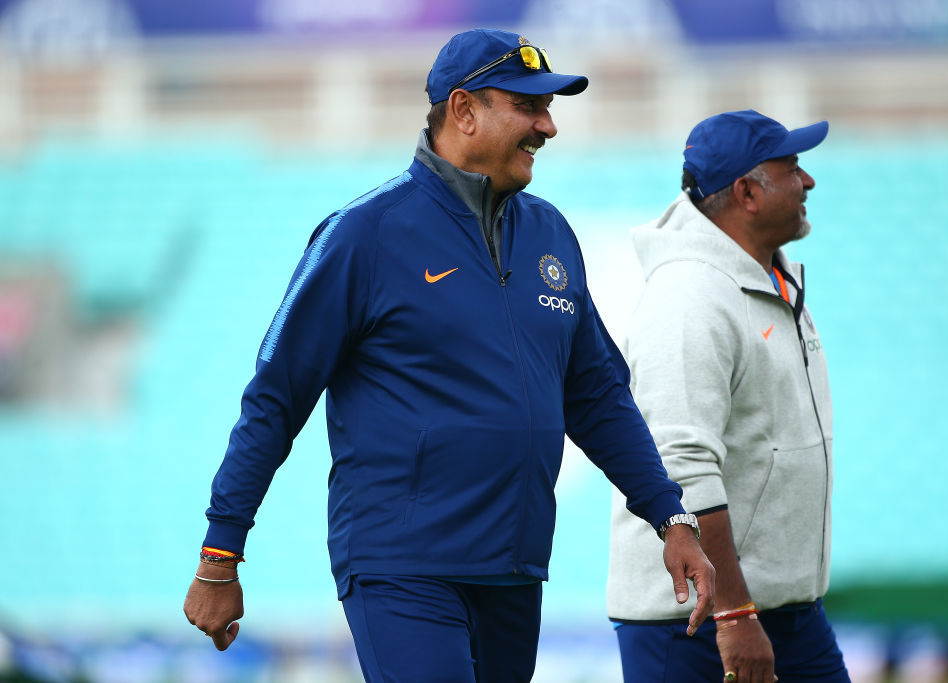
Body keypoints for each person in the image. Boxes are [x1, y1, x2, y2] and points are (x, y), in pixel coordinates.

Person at [183, 28, 715, 682]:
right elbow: (276, 397)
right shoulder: (364, 234)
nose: (548, 126)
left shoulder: (550, 232)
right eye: (528, 106)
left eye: (548, 109)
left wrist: (670, 515)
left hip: (515, 567)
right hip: (402, 566)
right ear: (463, 111)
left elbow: (598, 397)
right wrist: (221, 553)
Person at [606, 109, 851, 683]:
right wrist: (734, 613)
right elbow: (682, 464)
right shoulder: (688, 296)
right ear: (747, 192)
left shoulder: (768, 279)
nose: (808, 181)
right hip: (695, 622)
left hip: (788, 611)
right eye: (792, 168)